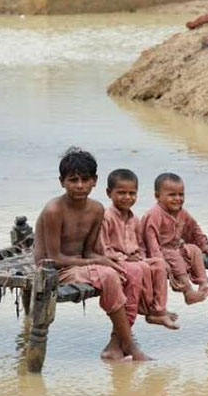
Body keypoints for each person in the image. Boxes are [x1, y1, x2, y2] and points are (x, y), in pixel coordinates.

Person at [33, 147, 149, 361]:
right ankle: (130, 345)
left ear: (95, 181)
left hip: (81, 265)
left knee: (130, 271)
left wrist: (105, 259)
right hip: (54, 270)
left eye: (85, 179)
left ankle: (116, 342)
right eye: (73, 180)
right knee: (108, 276)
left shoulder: (96, 209)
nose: (79, 185)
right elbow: (54, 259)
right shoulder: (54, 211)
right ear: (62, 181)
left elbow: (88, 250)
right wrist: (100, 262)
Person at [98, 168, 179, 330]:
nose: (127, 197)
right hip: (115, 262)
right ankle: (145, 308)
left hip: (135, 259)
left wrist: (142, 257)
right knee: (140, 268)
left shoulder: (135, 219)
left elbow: (141, 246)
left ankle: (158, 310)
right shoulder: (105, 217)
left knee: (158, 264)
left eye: (132, 193)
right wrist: (125, 258)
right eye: (121, 193)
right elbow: (103, 249)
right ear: (109, 193)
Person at [141, 173, 208, 305]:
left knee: (194, 249)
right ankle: (188, 292)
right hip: (156, 253)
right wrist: (159, 261)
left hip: (175, 248)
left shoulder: (182, 213)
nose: (178, 199)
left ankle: (203, 283)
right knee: (173, 256)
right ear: (157, 196)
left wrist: (205, 246)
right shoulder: (154, 214)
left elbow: (194, 230)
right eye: (172, 195)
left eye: (181, 194)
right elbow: (151, 241)